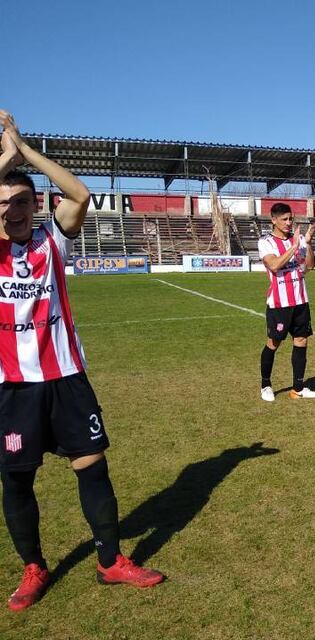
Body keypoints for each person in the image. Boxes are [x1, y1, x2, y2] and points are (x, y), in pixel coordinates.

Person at [0, 111, 163, 611]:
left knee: (92, 467)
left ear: (35, 204)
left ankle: (110, 560)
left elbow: (80, 195)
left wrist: (23, 151)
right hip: (13, 386)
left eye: (23, 201)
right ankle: (35, 565)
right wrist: (3, 158)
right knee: (17, 479)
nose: (14, 211)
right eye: (4, 203)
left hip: (67, 377)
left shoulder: (53, 240)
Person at [258, 203, 315, 401]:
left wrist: (308, 244)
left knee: (301, 341)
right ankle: (266, 385)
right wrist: (294, 246)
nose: (288, 223)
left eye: (290, 219)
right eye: (284, 219)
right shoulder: (266, 242)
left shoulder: (300, 240)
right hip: (279, 303)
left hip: (301, 300)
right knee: (274, 343)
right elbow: (275, 265)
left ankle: (298, 387)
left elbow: (309, 266)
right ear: (274, 220)